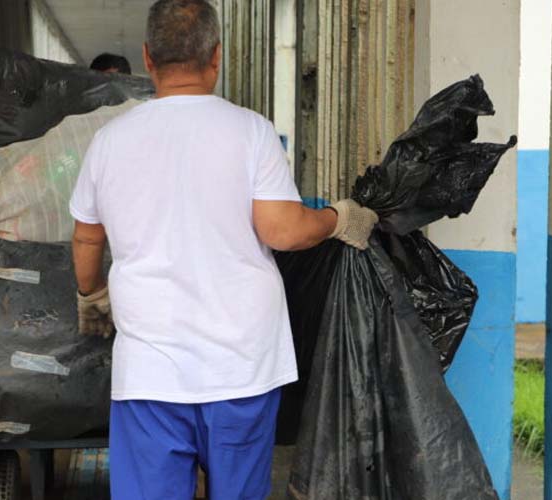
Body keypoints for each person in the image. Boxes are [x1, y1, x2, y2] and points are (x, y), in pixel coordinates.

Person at [69, 0, 378, 498]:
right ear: (217, 57)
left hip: (151, 373)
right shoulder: (249, 131)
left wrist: (91, 293)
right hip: (242, 367)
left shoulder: (110, 140)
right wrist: (338, 218)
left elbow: (87, 236)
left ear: (147, 59)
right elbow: (283, 231)